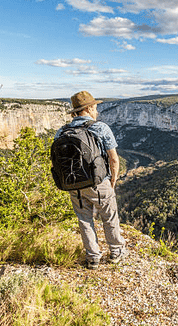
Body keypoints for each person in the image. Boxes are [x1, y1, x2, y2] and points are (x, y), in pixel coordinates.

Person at [55, 91, 126, 269]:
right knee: (109, 217)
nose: (97, 112)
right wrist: (112, 181)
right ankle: (116, 252)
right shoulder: (100, 128)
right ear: (88, 108)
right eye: (95, 107)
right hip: (98, 182)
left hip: (73, 184)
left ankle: (93, 257)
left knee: (84, 220)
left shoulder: (62, 131)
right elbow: (114, 159)